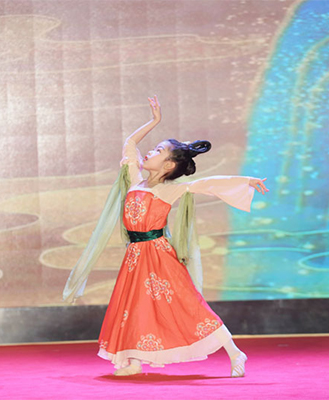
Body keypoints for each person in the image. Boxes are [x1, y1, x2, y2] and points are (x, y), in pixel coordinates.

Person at [64, 95, 269, 377]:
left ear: (169, 166)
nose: (150, 152)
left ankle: (235, 352)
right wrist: (154, 121)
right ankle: (134, 361)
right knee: (135, 306)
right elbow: (130, 144)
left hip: (159, 255)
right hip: (136, 256)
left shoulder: (168, 190)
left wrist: (245, 181)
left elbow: (207, 184)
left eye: (158, 150)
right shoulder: (135, 181)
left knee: (188, 303)